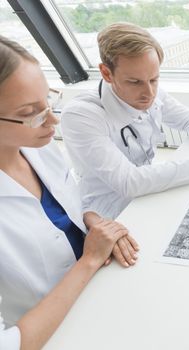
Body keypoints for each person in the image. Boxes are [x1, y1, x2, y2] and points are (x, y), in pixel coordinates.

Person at [0, 36, 134, 350]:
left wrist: (95, 223)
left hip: (99, 290)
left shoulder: (37, 148)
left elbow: (68, 207)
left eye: (48, 101)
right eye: (31, 113)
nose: (52, 120)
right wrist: (89, 260)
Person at [61, 23, 189, 219]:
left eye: (154, 79)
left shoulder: (150, 90)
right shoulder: (81, 115)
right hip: (110, 213)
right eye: (134, 82)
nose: (149, 93)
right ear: (107, 73)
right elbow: (128, 182)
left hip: (150, 194)